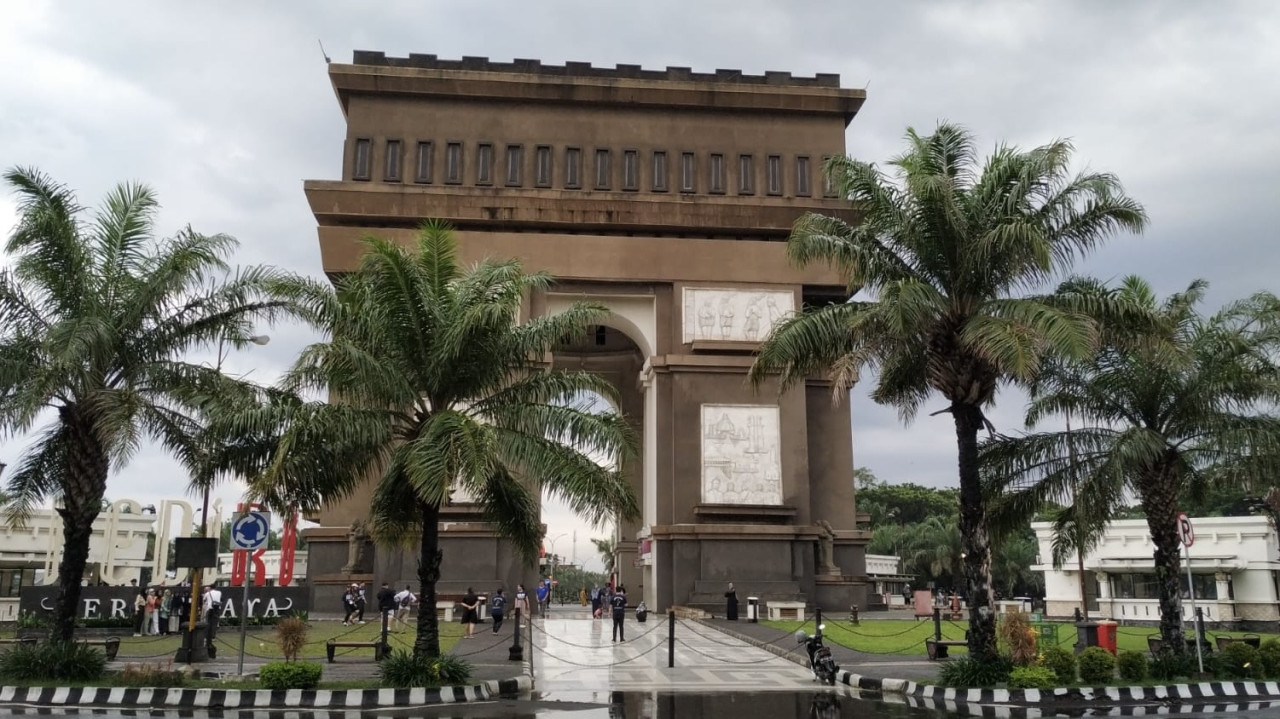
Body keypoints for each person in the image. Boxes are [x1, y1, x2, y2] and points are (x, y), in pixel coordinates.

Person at [203, 584, 223, 656]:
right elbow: (221, 599)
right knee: (214, 623)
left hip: (210, 609)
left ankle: (207, 637)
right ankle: (213, 636)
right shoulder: (219, 592)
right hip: (217, 609)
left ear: (210, 588)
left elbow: (204, 600)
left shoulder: (208, 593)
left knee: (208, 623)